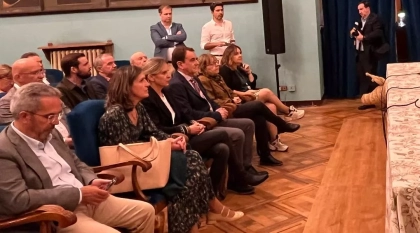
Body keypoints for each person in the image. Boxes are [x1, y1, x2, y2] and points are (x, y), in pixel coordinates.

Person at [98, 66, 243, 233]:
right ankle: (211, 210)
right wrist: (167, 145)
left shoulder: (138, 108)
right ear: (127, 86)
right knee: (187, 173)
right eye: (142, 80)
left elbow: (153, 132)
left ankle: (197, 222)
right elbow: (126, 151)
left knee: (190, 162)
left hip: (148, 160)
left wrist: (172, 140)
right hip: (132, 170)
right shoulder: (114, 115)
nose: (147, 84)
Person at [0, 83, 156, 232]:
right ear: (25, 116)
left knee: (146, 212)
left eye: (58, 115)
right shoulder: (5, 150)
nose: (55, 122)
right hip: (57, 214)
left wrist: (91, 179)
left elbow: (74, 161)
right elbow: (18, 200)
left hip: (86, 198)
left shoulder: (50, 132)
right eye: (50, 116)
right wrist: (79, 194)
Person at [140, 58, 268, 195]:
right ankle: (241, 176)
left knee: (222, 148)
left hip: (187, 133)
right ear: (151, 77)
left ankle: (210, 193)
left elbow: (183, 114)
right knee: (223, 134)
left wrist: (193, 123)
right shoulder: (148, 99)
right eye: (163, 73)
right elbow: (157, 129)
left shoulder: (166, 92)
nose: (168, 75)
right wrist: (187, 129)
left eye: (168, 72)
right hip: (174, 141)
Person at [165, 46, 278, 168]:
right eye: (192, 60)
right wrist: (217, 113)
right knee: (252, 113)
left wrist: (219, 108)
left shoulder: (195, 79)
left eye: (196, 59)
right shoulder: (177, 84)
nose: (196, 62)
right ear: (180, 64)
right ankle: (241, 172)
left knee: (253, 120)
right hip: (203, 123)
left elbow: (209, 100)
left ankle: (248, 166)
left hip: (216, 114)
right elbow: (188, 113)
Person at [199, 53, 300, 153]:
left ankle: (265, 155)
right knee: (258, 104)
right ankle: (282, 123)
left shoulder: (218, 77)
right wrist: (231, 100)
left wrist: (236, 97)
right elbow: (211, 100)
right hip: (226, 109)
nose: (217, 65)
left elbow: (231, 91)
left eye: (216, 63)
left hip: (234, 104)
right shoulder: (203, 80)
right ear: (203, 67)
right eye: (212, 64)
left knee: (259, 117)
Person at [219, 45, 304, 121]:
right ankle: (288, 111)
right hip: (241, 98)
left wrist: (249, 73)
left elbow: (252, 85)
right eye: (236, 54)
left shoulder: (239, 69)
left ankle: (274, 138)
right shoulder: (225, 69)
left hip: (250, 94)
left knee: (271, 106)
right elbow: (227, 90)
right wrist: (244, 93)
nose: (240, 55)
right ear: (229, 55)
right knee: (266, 91)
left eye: (240, 53)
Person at [351, 0, 387, 109]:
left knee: (370, 76)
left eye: (361, 9)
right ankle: (366, 100)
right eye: (358, 10)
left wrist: (364, 38)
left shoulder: (375, 19)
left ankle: (373, 100)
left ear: (368, 8)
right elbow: (356, 30)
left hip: (370, 53)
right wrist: (353, 32)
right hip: (360, 52)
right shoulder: (360, 20)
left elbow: (378, 33)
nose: (360, 12)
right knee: (362, 76)